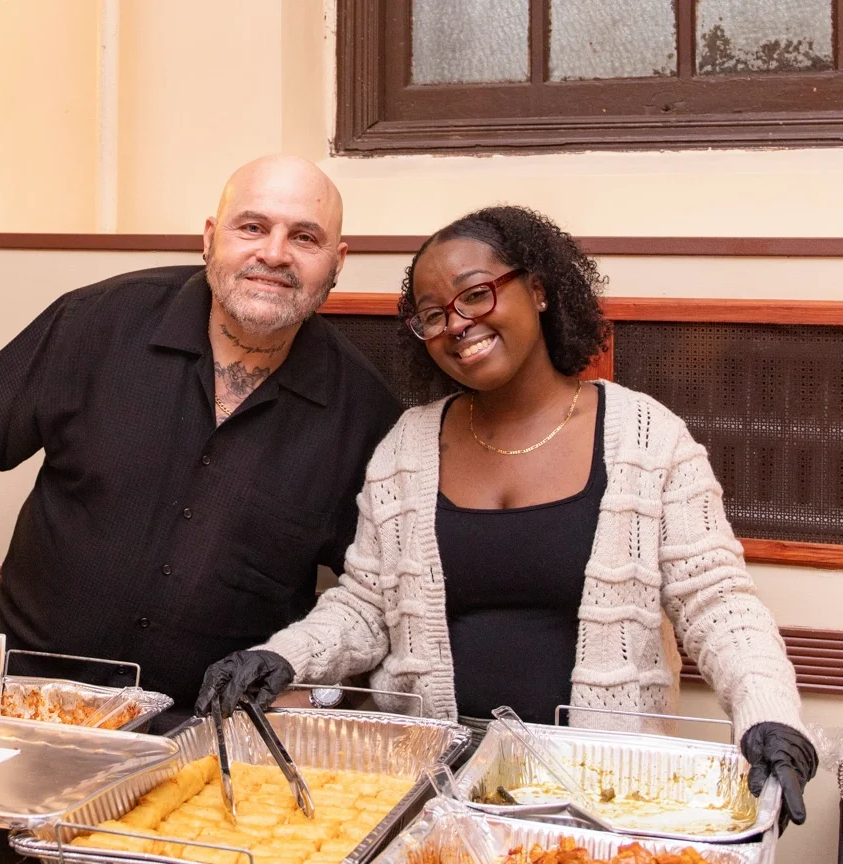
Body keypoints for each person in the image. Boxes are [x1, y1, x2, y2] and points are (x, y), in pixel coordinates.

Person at [197, 206, 818, 829]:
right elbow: (364, 604)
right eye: (434, 315)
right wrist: (283, 657)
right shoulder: (407, 447)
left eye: (476, 294)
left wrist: (769, 717)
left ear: (540, 289)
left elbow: (718, 603)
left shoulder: (647, 436)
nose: (457, 325)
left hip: (602, 800)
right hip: (430, 797)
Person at [0, 154, 402, 730]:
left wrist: (310, 684)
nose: (274, 253)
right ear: (210, 237)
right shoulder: (100, 320)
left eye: (304, 237)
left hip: (204, 733)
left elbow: (369, 597)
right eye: (252, 227)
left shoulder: (367, 413)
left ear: (337, 260)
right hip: (23, 701)